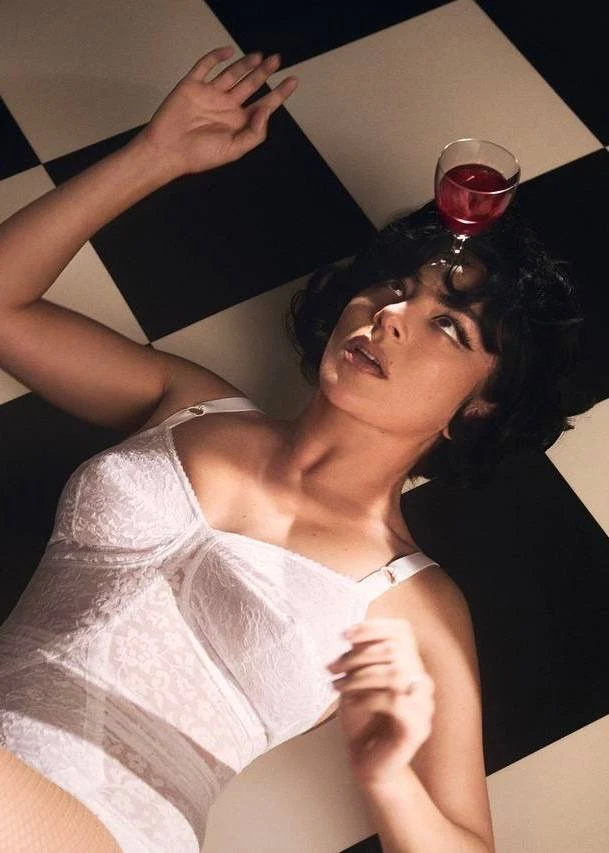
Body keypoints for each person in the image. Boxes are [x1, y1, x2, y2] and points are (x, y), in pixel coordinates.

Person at [0, 46, 583, 853]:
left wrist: (390, 781)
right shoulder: (189, 403)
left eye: (447, 326)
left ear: (479, 406)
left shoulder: (412, 602)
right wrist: (155, 156)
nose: (389, 316)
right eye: (393, 288)